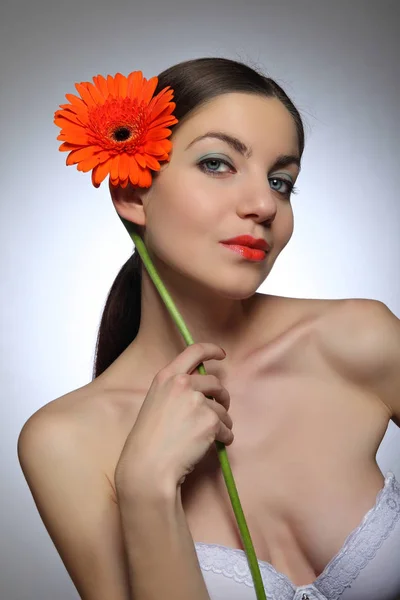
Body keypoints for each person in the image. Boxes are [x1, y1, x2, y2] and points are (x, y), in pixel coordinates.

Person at [17, 57, 400, 600]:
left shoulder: (360, 339)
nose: (264, 204)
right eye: (218, 164)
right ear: (133, 194)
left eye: (281, 180)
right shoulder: (66, 443)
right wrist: (146, 488)